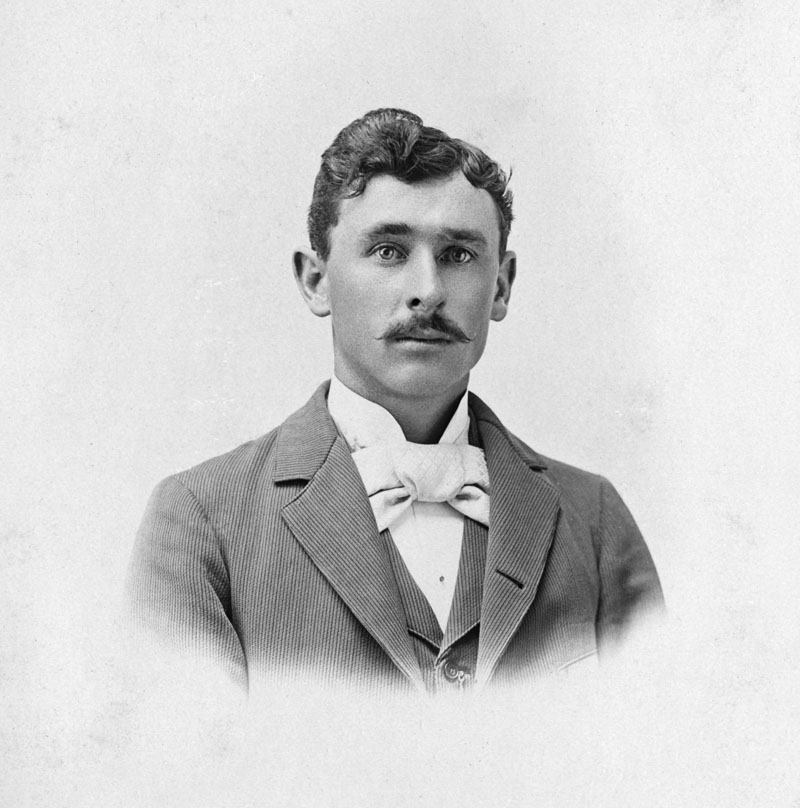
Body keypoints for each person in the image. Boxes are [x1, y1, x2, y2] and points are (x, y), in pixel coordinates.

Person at [127, 108, 665, 695]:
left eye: (458, 254)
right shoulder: (202, 519)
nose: (427, 291)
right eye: (388, 250)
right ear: (316, 281)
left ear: (502, 285)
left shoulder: (594, 519)